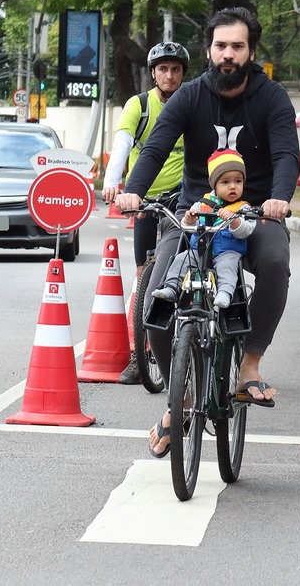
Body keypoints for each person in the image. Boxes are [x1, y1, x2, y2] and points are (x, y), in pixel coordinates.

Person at [115, 6, 299, 457]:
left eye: (237, 46)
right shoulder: (191, 96)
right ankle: (185, 395)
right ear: (209, 50)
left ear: (250, 50)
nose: (228, 55)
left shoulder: (272, 97)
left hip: (253, 214)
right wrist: (133, 191)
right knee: (155, 297)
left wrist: (278, 198)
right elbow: (155, 147)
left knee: (275, 263)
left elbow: (286, 155)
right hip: (196, 213)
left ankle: (249, 365)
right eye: (221, 46)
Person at [102, 42, 189, 384]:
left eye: (176, 69)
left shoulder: (191, 102)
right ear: (153, 73)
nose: (169, 75)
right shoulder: (138, 105)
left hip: (183, 200)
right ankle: (142, 355)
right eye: (163, 69)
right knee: (143, 277)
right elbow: (122, 144)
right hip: (146, 198)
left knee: (183, 268)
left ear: (183, 73)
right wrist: (114, 185)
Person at [152, 149, 255, 310]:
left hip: (226, 251)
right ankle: (172, 287)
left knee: (227, 267)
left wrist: (234, 220)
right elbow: (189, 226)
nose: (233, 186)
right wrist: (189, 219)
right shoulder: (203, 203)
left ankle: (225, 293)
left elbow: (246, 230)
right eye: (225, 182)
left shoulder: (243, 208)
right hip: (199, 250)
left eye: (238, 181)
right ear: (214, 184)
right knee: (181, 259)